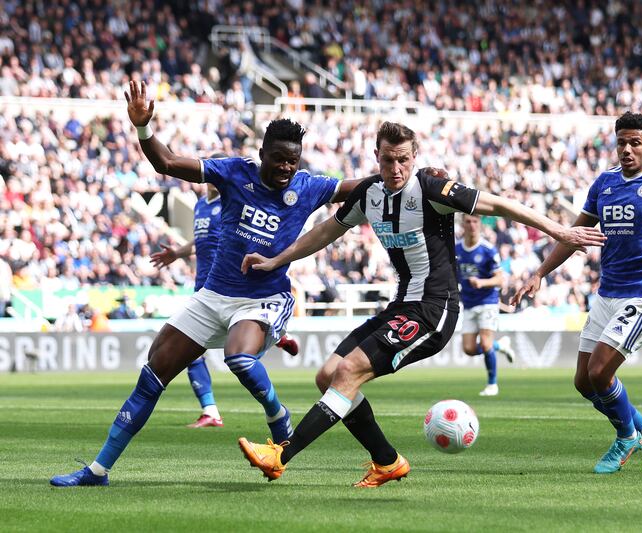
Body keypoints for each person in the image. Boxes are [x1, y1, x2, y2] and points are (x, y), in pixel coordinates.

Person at [236, 121, 606, 487]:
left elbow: (499, 205)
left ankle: (280, 456)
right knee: (327, 376)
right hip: (401, 306)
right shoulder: (369, 194)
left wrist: (560, 231)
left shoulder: (431, 190)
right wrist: (276, 260)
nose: (395, 170)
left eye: (402, 160)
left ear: (414, 158)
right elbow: (324, 232)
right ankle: (387, 461)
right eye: (386, 161)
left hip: (434, 309)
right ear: (375, 157)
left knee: (348, 371)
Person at [50, 81, 361, 487]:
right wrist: (143, 128)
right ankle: (98, 470)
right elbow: (166, 162)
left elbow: (359, 186)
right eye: (280, 159)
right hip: (213, 295)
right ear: (262, 154)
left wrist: (407, 179)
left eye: (293, 161)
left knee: (239, 358)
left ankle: (278, 416)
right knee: (152, 373)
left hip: (264, 298)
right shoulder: (234, 172)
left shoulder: (309, 187)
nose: (287, 168)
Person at [512, 112, 642, 474]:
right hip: (608, 290)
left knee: (599, 371)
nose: (626, 149)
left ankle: (626, 437)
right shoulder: (604, 183)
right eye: (621, 142)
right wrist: (540, 272)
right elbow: (573, 235)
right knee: (583, 382)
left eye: (635, 142)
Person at [148, 173, 301, 428]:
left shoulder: (232, 203)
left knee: (202, 354)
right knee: (199, 352)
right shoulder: (200, 205)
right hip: (204, 287)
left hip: (226, 285)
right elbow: (201, 240)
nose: (213, 181)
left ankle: (210, 410)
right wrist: (178, 252)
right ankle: (276, 337)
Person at [455, 214, 516, 397]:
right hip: (468, 303)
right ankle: (501, 346)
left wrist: (482, 283)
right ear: (463, 224)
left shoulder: (488, 250)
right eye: (468, 222)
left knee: (486, 343)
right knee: (469, 349)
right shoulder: (456, 249)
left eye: (475, 222)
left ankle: (492, 384)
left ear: (480, 225)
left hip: (487, 302)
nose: (472, 225)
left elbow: (500, 279)